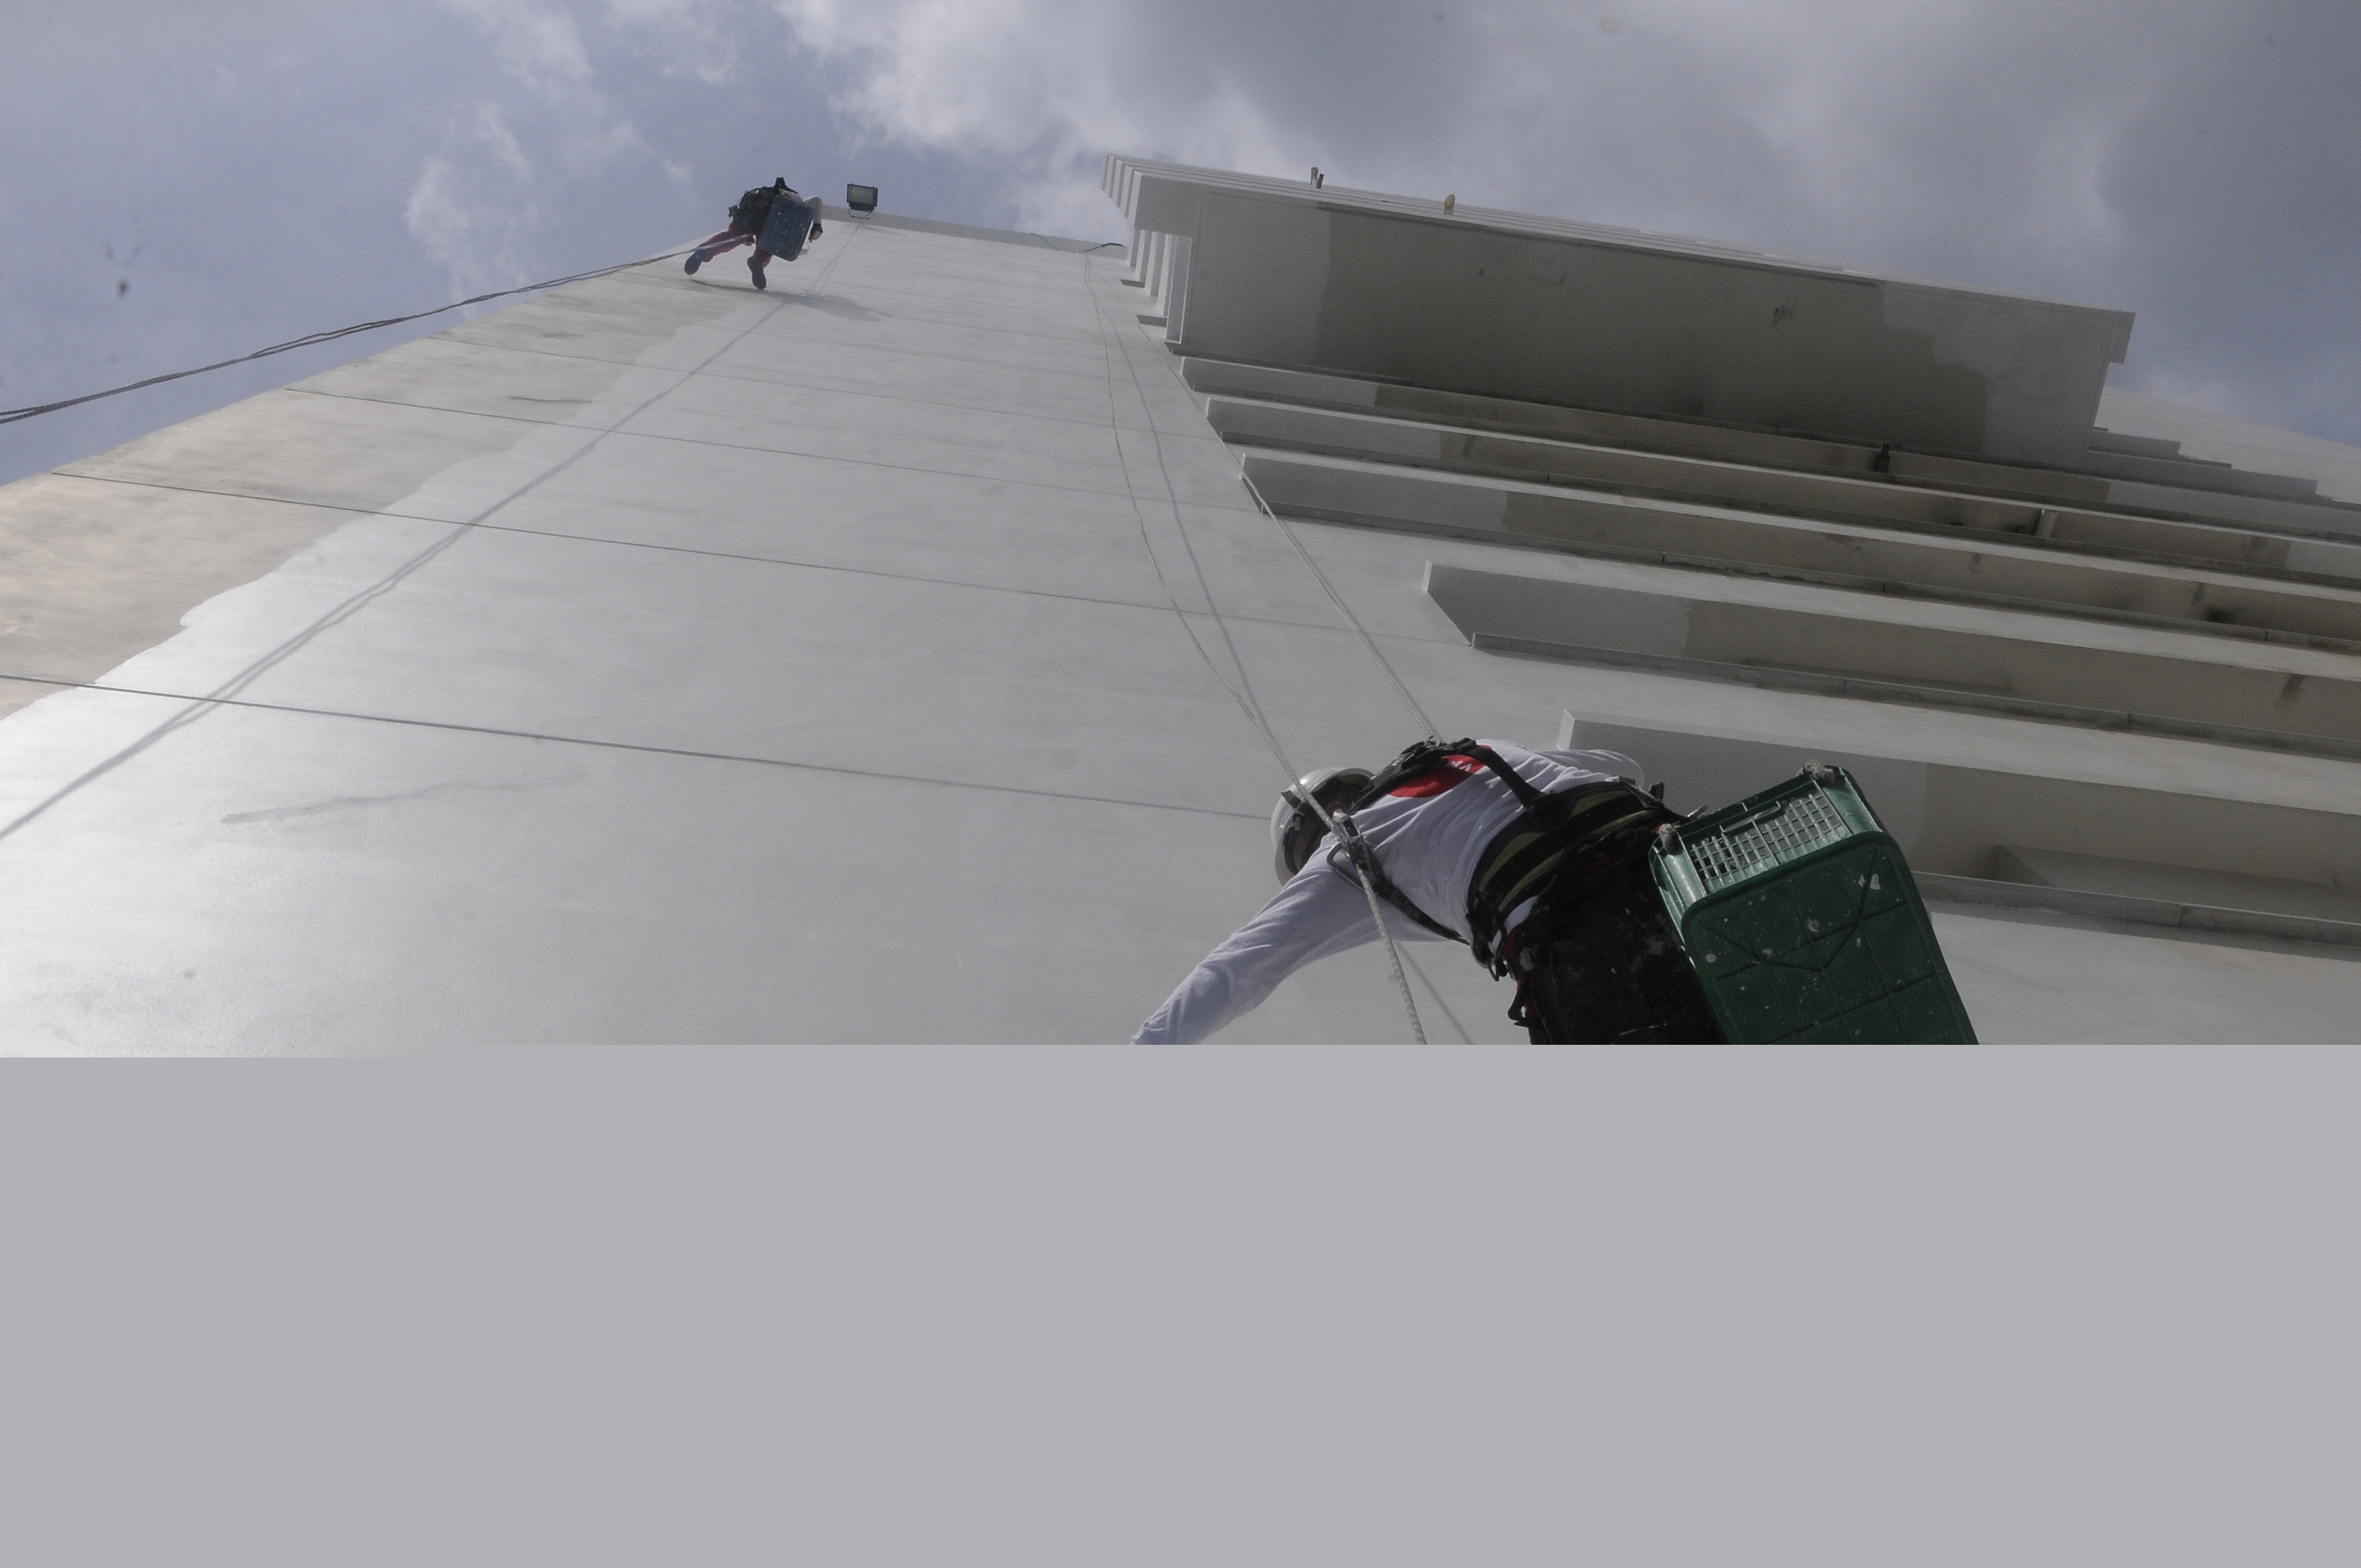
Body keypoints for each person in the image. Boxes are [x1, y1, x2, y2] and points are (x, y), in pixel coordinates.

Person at [1132, 738, 1725, 1044]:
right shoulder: (1471, 754)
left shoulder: (1343, 857)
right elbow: (1618, 762)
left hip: (1590, 947)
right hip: (1690, 873)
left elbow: (1237, 971)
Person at [683, 178, 825, 290]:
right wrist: (817, 225)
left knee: (731, 238)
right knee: (770, 244)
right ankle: (758, 262)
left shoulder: (773, 194)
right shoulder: (797, 202)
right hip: (772, 216)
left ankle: (704, 251)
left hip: (751, 210)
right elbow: (816, 200)